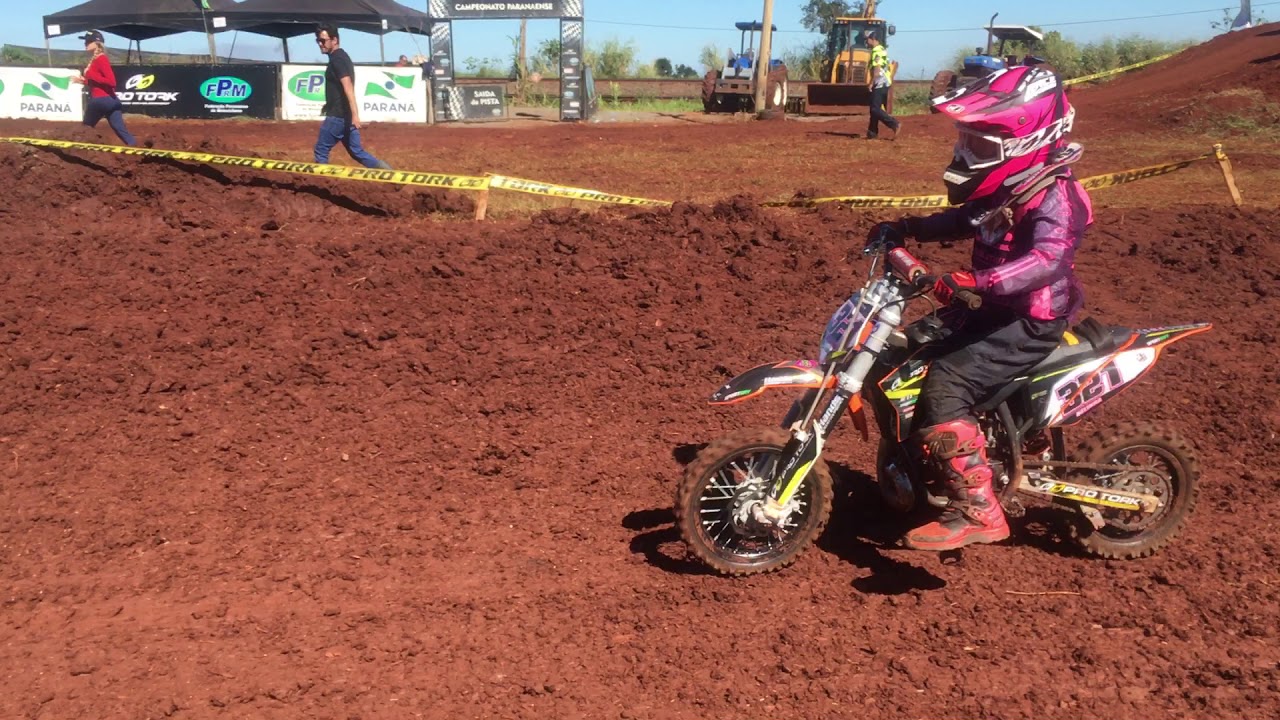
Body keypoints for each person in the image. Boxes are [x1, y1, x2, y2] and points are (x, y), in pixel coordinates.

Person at [864, 66, 1092, 551]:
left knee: (947, 385)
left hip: (1029, 319)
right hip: (988, 305)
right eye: (965, 142)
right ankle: (931, 462)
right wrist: (908, 227)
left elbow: (1048, 260)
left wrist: (976, 280)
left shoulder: (1058, 195)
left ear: (1031, 141)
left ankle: (980, 510)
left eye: (982, 147)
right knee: (910, 351)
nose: (967, 156)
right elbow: (965, 217)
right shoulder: (1009, 185)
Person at [313, 24, 392, 170]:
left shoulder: (337, 60)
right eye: (318, 40)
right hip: (346, 116)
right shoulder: (343, 56)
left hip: (337, 117)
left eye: (323, 40)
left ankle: (319, 187)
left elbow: (348, 86)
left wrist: (355, 115)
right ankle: (390, 174)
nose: (320, 44)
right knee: (357, 152)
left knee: (321, 151)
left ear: (334, 40)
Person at [70, 30, 135, 147]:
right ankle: (138, 149)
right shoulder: (97, 59)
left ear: (97, 43)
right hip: (112, 101)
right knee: (121, 131)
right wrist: (82, 81)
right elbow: (98, 83)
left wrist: (90, 75)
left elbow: (111, 82)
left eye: (88, 41)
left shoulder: (101, 59)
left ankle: (79, 152)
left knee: (86, 128)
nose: (85, 44)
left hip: (101, 100)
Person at [865, 33, 900, 140]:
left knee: (875, 108)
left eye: (868, 39)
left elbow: (877, 69)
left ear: (873, 39)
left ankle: (894, 124)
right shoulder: (882, 50)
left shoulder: (877, 51)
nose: (867, 41)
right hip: (885, 82)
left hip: (879, 82)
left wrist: (871, 83)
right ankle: (872, 132)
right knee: (873, 108)